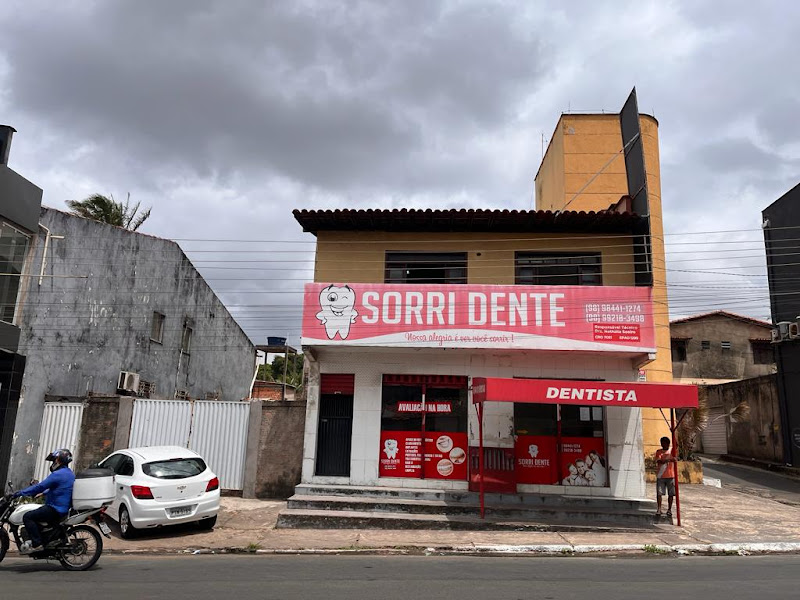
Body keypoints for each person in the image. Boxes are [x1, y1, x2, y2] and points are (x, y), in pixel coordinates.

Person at [12, 448, 75, 554]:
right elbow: (60, 488)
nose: (53, 463)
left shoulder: (57, 474)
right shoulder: (68, 473)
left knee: (28, 516)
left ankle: (37, 544)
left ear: (59, 460)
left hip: (56, 509)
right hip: (60, 507)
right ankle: (43, 538)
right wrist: (44, 493)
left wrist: (19, 493)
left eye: (54, 460)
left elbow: (40, 486)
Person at [654, 436, 677, 517]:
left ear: (668, 443)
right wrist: (669, 460)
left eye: (664, 443)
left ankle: (669, 509)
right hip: (661, 475)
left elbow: (676, 448)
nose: (662, 444)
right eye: (661, 443)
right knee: (659, 493)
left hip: (671, 475)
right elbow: (659, 461)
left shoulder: (672, 451)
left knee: (671, 494)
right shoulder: (659, 452)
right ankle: (659, 509)